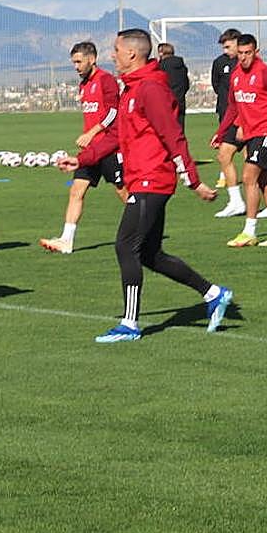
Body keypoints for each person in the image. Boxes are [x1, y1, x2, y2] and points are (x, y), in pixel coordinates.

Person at [63, 30, 231, 343]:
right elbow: (116, 136)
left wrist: (193, 181)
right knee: (150, 254)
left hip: (152, 180)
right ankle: (213, 293)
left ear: (132, 54)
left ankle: (129, 323)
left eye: (115, 50)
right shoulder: (131, 89)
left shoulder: (151, 89)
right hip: (140, 178)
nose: (111, 55)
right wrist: (82, 159)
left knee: (125, 246)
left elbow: (173, 136)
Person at [41, 42, 126, 255]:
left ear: (92, 58)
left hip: (109, 147)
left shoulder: (106, 80)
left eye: (79, 61)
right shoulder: (84, 85)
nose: (76, 66)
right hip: (91, 151)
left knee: (123, 192)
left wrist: (92, 132)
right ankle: (66, 240)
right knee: (76, 191)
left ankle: (147, 229)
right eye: (74, 63)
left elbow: (114, 113)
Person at [212, 34, 267, 247]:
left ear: (256, 52)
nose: (244, 57)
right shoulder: (236, 75)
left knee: (249, 177)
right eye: (240, 53)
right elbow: (232, 107)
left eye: (248, 53)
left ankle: (249, 231)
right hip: (251, 134)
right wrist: (221, 132)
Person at [211, 28, 245, 215]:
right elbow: (217, 86)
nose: (225, 50)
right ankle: (236, 202)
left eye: (228, 46)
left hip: (247, 118)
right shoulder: (219, 63)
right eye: (223, 47)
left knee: (254, 165)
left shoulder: (245, 64)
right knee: (224, 156)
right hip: (228, 114)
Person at [157, 42, 189, 131]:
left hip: (165, 103)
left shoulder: (160, 67)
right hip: (180, 102)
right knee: (179, 130)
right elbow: (186, 85)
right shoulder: (182, 67)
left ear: (161, 52)